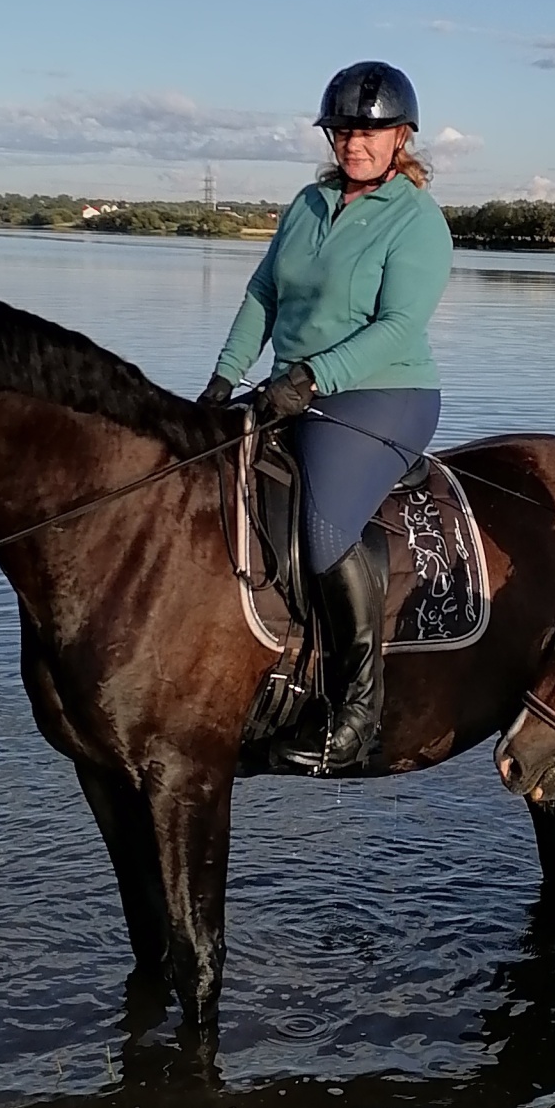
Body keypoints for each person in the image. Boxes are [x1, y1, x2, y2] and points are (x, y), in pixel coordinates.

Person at [200, 62, 453, 776]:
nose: (355, 142)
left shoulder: (417, 221)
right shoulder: (308, 203)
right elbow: (262, 294)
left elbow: (400, 324)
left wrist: (314, 378)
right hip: (295, 388)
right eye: (343, 130)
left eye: (370, 131)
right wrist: (223, 379)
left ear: (400, 136)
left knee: (322, 528)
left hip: (382, 393)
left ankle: (357, 714)